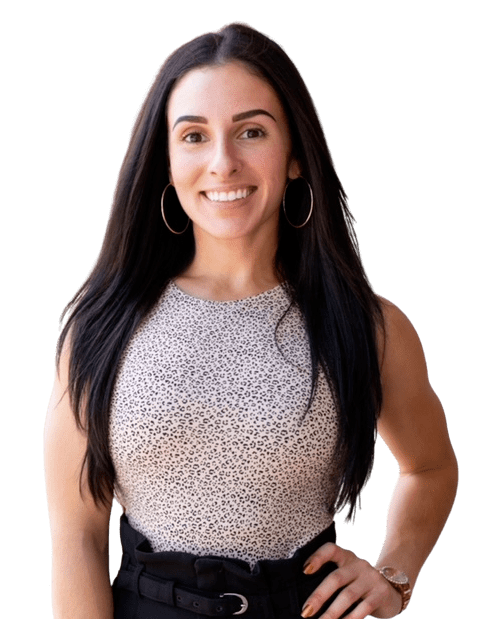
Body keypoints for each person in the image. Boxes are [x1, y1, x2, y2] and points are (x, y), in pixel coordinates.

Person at [43, 21, 458, 619]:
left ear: (295, 156)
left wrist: (395, 576)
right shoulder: (100, 328)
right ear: (165, 161)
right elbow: (78, 539)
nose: (223, 163)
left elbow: (431, 467)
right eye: (194, 136)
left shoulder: (368, 326)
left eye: (252, 132)